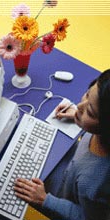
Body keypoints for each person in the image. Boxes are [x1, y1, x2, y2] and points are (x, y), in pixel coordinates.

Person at [14, 69, 110, 220]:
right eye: (87, 94)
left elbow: (87, 217)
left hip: (65, 202)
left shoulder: (96, 183)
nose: (79, 106)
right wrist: (79, 117)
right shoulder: (99, 133)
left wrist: (45, 200)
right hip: (69, 179)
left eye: (90, 111)